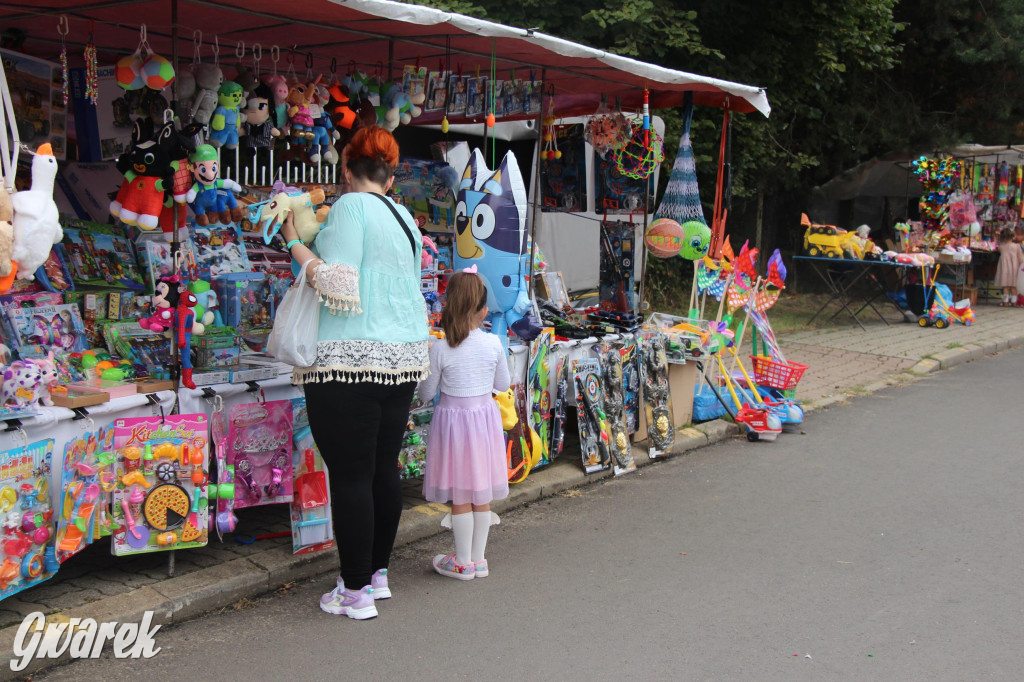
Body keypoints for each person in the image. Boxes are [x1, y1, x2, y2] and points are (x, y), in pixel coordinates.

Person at [280, 126, 429, 620]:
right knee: (382, 468)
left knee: (351, 475)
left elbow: (338, 282)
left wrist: (294, 246)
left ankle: (354, 591)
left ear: (347, 167)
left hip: (347, 359)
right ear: (391, 174)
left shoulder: (348, 207)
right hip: (400, 357)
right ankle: (376, 575)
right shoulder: (404, 217)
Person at [416, 271, 511, 581]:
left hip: (453, 429)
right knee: (480, 493)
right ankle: (479, 559)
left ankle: (462, 562)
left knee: (460, 495)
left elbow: (427, 393)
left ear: (448, 305)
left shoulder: (440, 349)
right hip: (483, 424)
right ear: (484, 310)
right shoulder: (494, 343)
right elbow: (503, 384)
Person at [993, 226, 1023, 306]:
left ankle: (1005, 302)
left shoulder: (1001, 247)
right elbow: (1021, 258)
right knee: (1014, 287)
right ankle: (1014, 302)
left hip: (1004, 268)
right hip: (1014, 268)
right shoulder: (1017, 246)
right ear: (1013, 236)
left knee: (1005, 286)